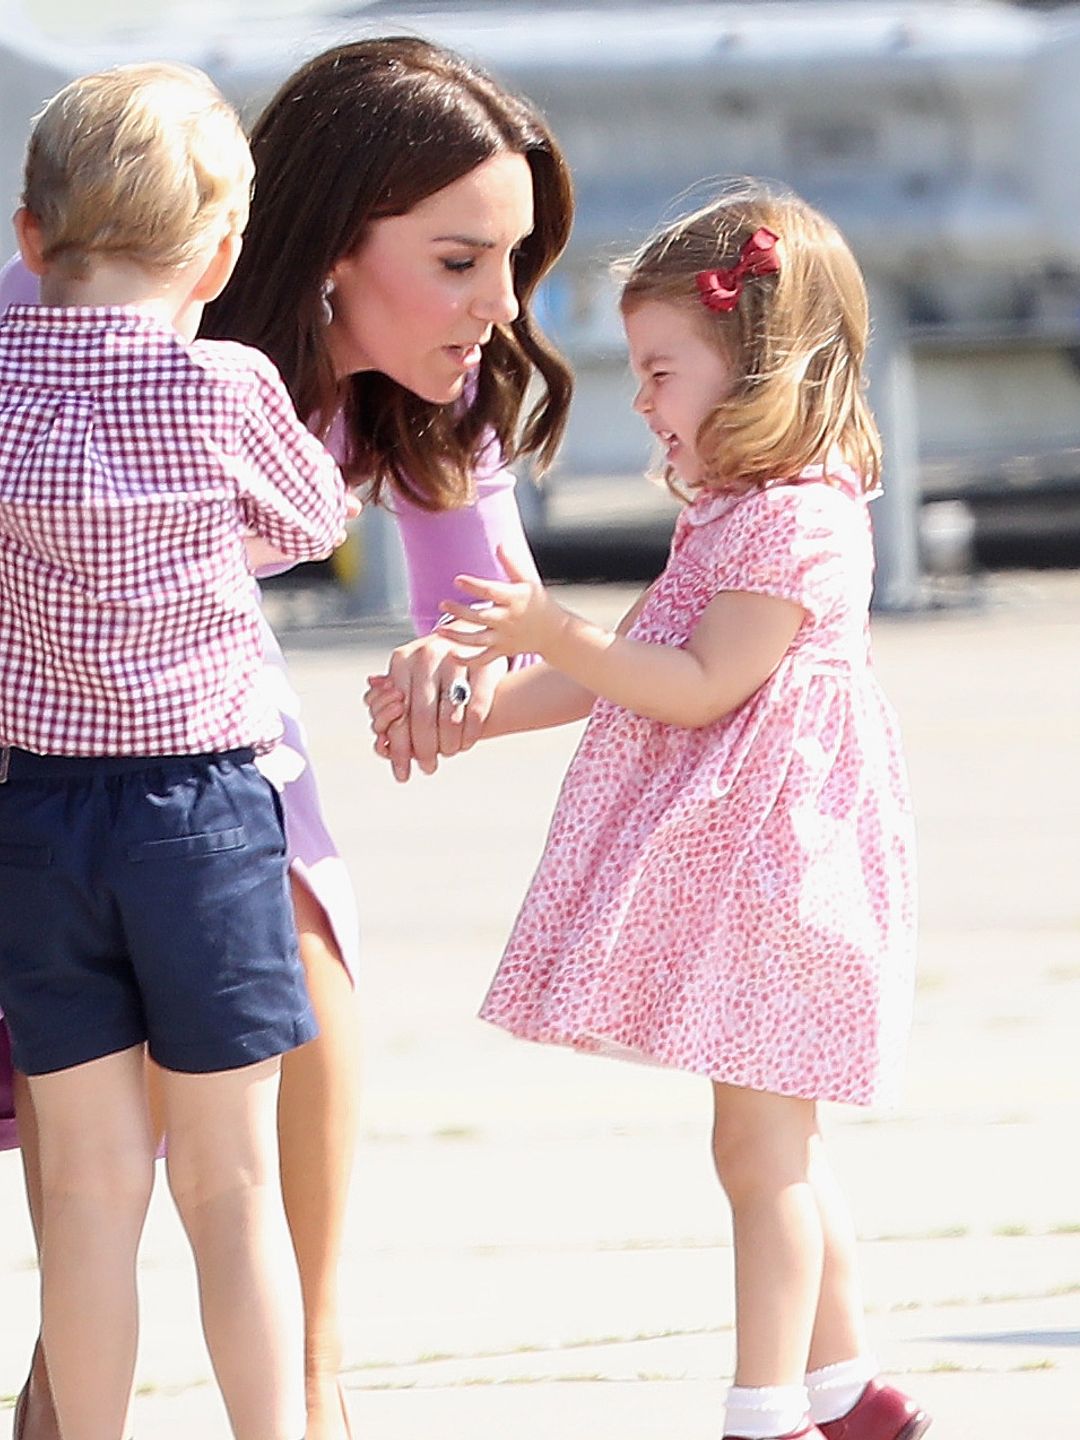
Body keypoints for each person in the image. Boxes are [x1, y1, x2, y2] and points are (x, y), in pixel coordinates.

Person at [0, 35, 574, 1440]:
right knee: (145, 1177)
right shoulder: (102, 327)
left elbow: (511, 638)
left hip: (164, 758)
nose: (499, 307)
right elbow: (301, 531)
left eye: (512, 261)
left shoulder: (432, 400)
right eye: (456, 260)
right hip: (93, 765)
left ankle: (305, 1395)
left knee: (283, 1003)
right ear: (320, 245)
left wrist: (448, 670)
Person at [370, 185, 927, 1440]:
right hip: (747, 876)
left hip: (788, 878)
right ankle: (848, 1391)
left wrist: (544, 626)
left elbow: (696, 684)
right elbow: (621, 662)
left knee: (762, 1154)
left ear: (757, 368)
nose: (642, 401)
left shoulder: (801, 519)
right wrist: (474, 710)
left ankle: (767, 1406)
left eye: (661, 370)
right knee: (775, 1140)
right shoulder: (738, 510)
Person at [0, 61, 350, 1440]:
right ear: (218, 250)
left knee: (84, 1200)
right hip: (202, 816)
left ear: (31, 237)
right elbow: (315, 517)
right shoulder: (222, 384)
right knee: (231, 1184)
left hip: (37, 815)